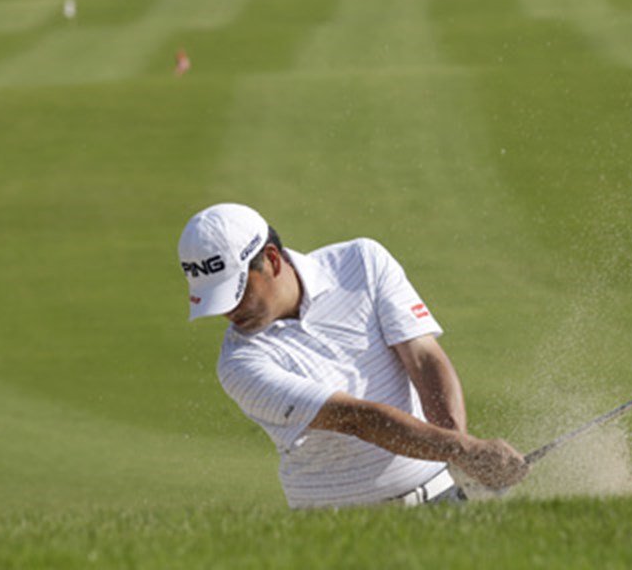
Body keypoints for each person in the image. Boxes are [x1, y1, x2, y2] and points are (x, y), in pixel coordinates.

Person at [177, 202, 529, 508]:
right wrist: (462, 450)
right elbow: (352, 418)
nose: (230, 312)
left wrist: (461, 451)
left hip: (440, 502)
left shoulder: (361, 262)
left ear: (271, 260)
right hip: (336, 529)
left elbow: (422, 358)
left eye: (237, 293)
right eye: (217, 301)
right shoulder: (239, 363)